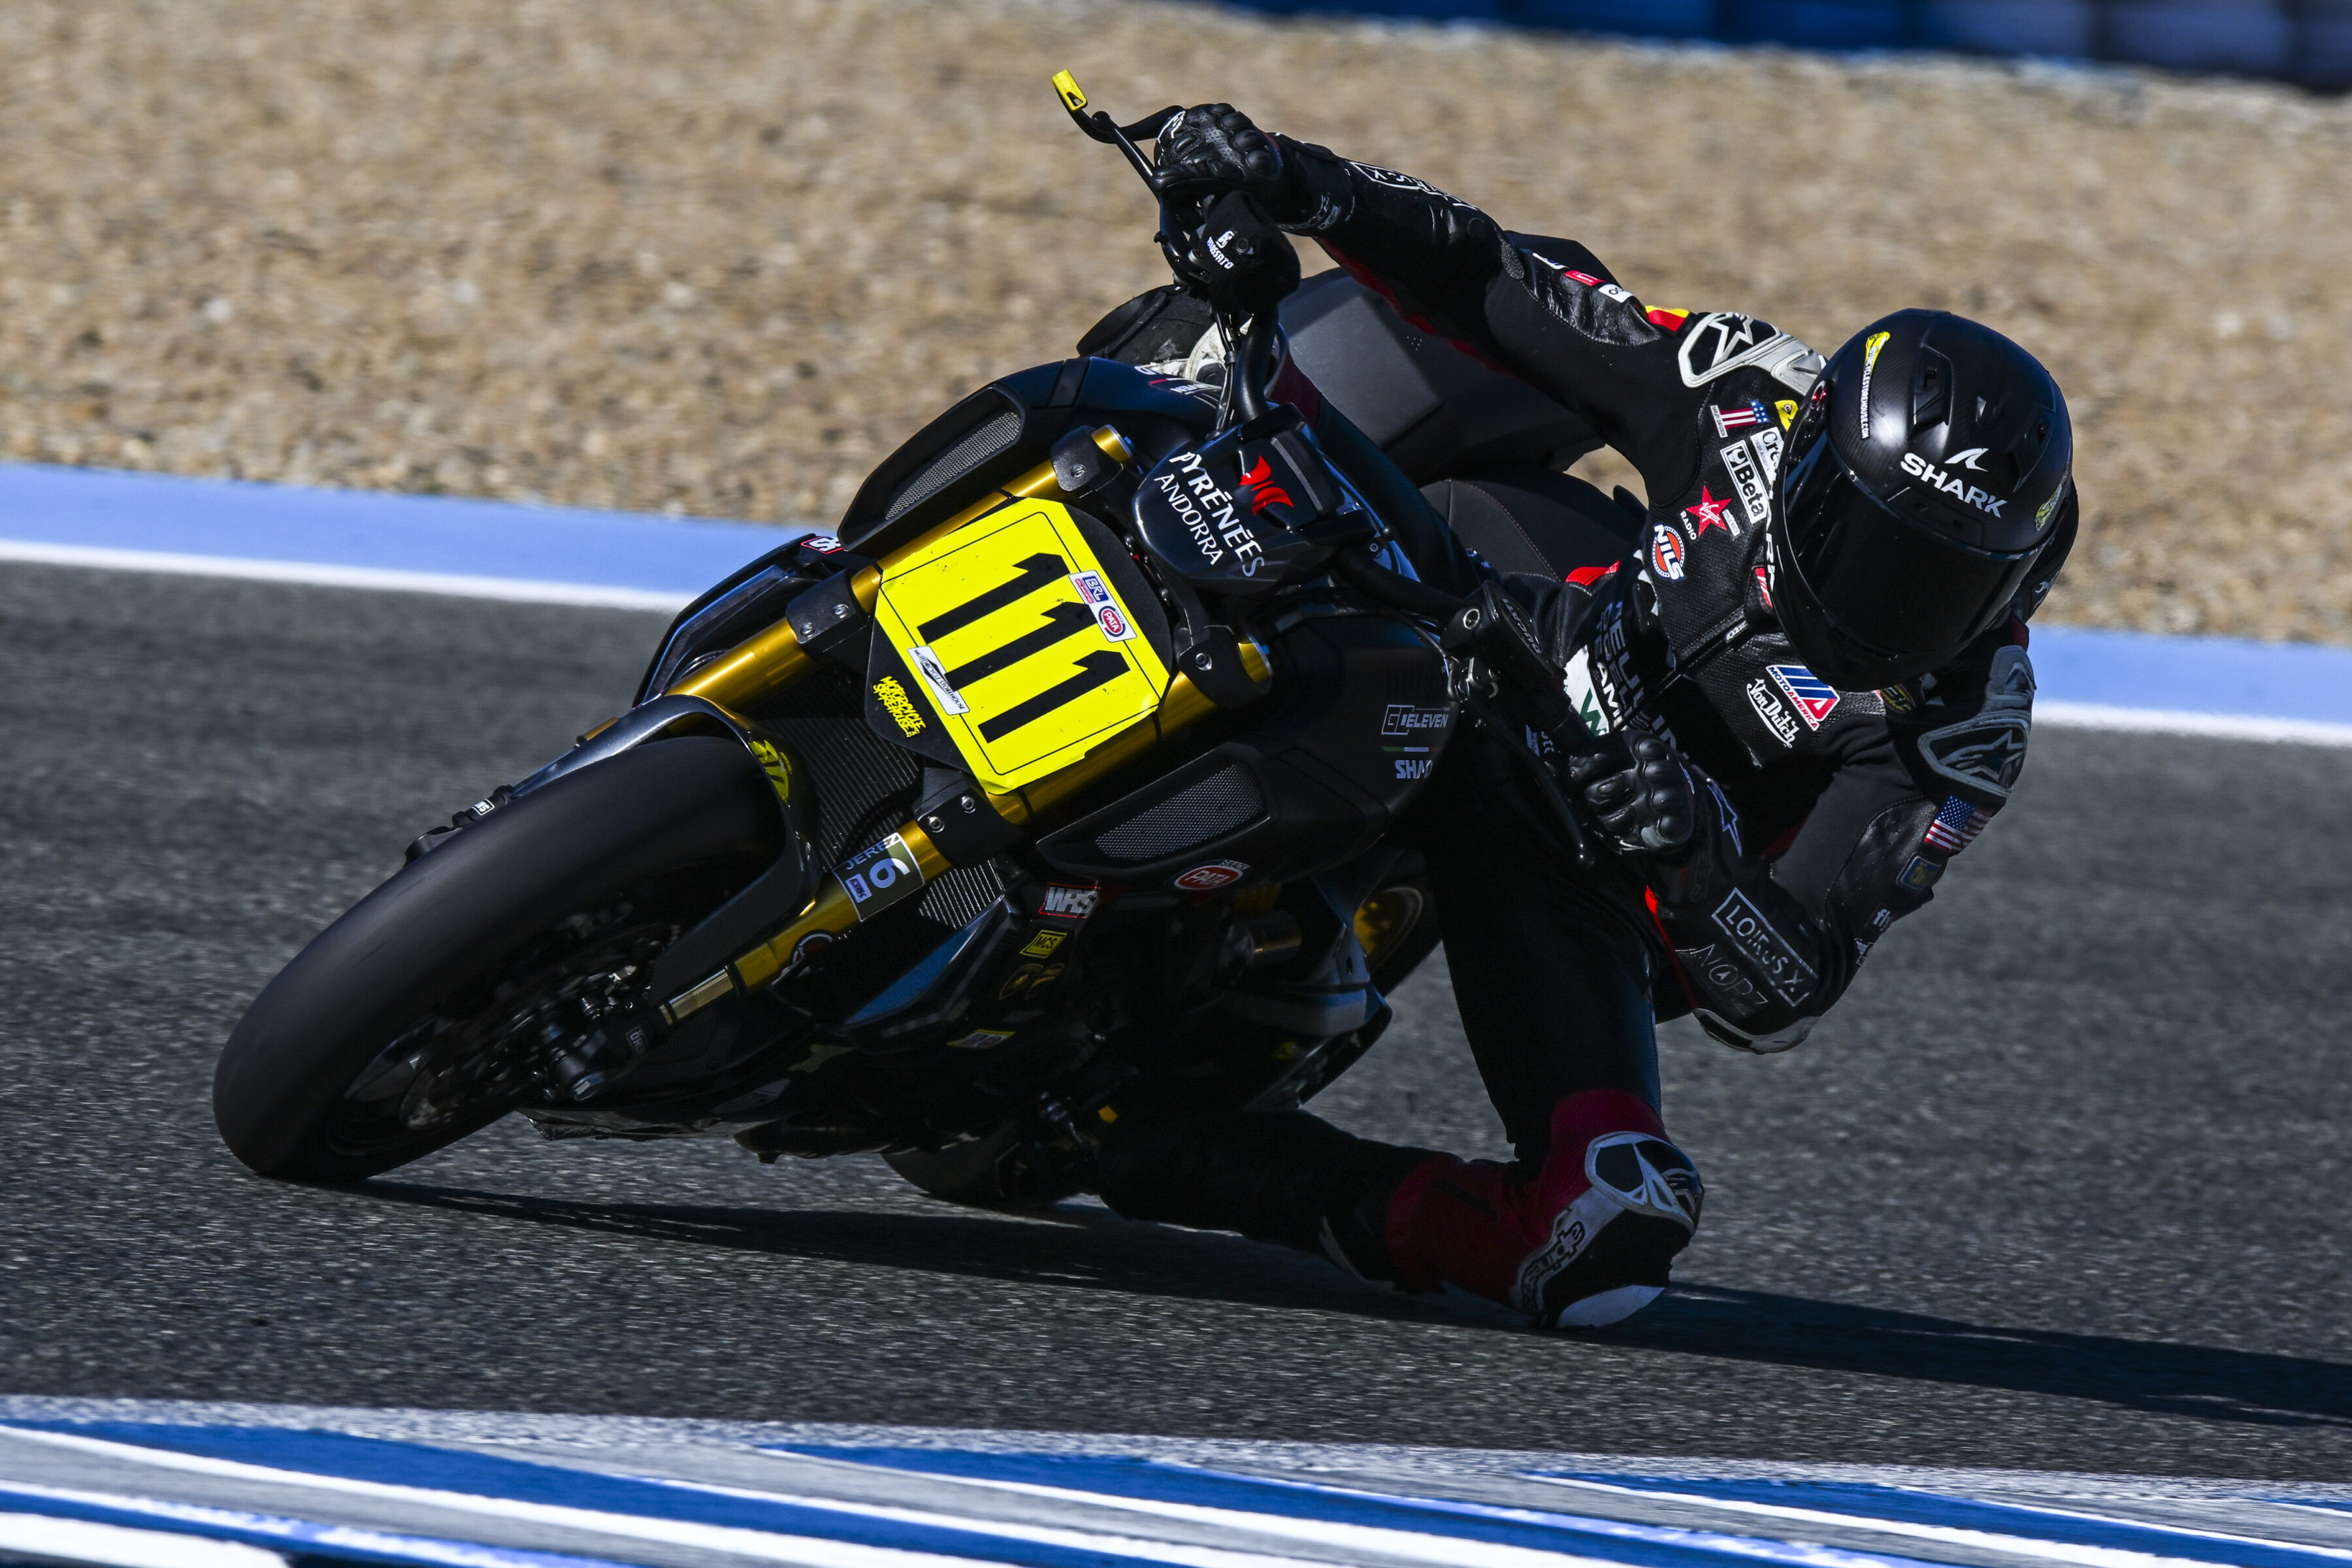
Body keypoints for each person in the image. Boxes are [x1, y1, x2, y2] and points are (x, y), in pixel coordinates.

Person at [1088, 105, 2078, 1329]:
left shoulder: (1961, 730)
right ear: (1812, 458)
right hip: (1536, 604)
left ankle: (1246, 1171)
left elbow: (1786, 988)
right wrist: (1297, 179)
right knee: (1393, 339)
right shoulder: (1751, 401)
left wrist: (1689, 848)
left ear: (2019, 582)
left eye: (1938, 583)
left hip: (1596, 852)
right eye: (1860, 541)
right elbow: (1509, 283)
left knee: (1607, 1231)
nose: (1885, 603)